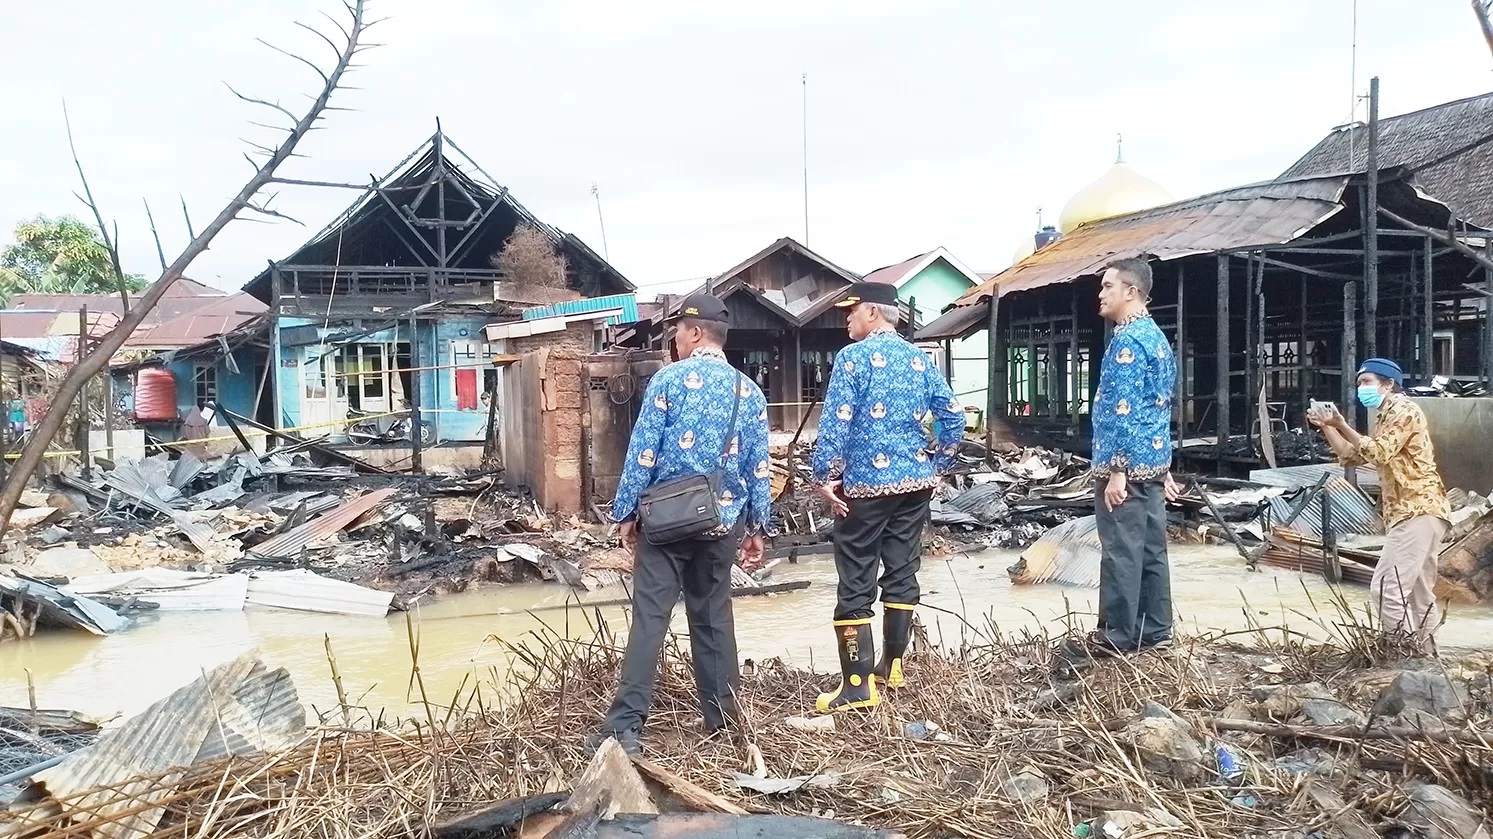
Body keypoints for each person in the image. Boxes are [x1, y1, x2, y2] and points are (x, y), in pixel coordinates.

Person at [585, 292, 773, 755]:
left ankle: (626, 729)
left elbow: (642, 452)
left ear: (693, 333)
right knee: (712, 619)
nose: (675, 341)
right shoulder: (747, 391)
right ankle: (724, 721)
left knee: (650, 618)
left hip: (665, 523)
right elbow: (758, 467)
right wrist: (757, 528)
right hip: (721, 522)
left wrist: (626, 513)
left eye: (678, 333)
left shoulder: (668, 382)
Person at [810, 281, 965, 712]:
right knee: (902, 568)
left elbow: (838, 421)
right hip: (915, 484)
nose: (847, 319)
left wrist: (824, 475)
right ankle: (891, 667)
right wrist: (938, 465)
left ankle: (856, 687)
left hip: (864, 487)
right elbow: (953, 415)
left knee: (856, 577)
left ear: (873, 314)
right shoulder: (920, 359)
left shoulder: (852, 359)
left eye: (852, 311)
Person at [1062, 258, 1180, 662]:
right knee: (1150, 549)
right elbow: (1160, 409)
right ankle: (1157, 629)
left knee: (1120, 552)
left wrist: (1117, 471)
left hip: (1125, 467)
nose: (1101, 293)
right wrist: (1163, 467)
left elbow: (1123, 410)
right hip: (1151, 463)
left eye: (1108, 286)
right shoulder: (1157, 339)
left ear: (1131, 292)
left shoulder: (1127, 342)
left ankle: (1116, 635)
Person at [1309, 358, 1450, 652]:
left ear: (1388, 384)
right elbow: (1352, 457)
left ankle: (1402, 655)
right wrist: (1327, 427)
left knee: (1388, 589)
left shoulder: (1402, 409)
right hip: (1424, 511)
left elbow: (1379, 452)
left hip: (1416, 509)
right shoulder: (1385, 415)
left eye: (1367, 382)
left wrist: (1342, 424)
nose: (1361, 388)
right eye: (1359, 383)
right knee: (1419, 594)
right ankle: (1429, 657)